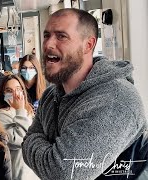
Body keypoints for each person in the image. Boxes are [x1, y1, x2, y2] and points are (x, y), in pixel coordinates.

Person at [22, 8, 147, 179]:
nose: (48, 44)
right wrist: (45, 149)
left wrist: (39, 143)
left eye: (61, 36)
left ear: (88, 44)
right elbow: (27, 141)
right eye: (46, 35)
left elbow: (61, 172)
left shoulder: (115, 100)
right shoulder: (50, 96)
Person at [0, 75, 38, 180]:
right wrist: (20, 110)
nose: (14, 94)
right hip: (19, 171)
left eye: (18, 89)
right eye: (9, 90)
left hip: (33, 169)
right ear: (3, 94)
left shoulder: (28, 110)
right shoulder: (2, 114)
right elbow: (20, 141)